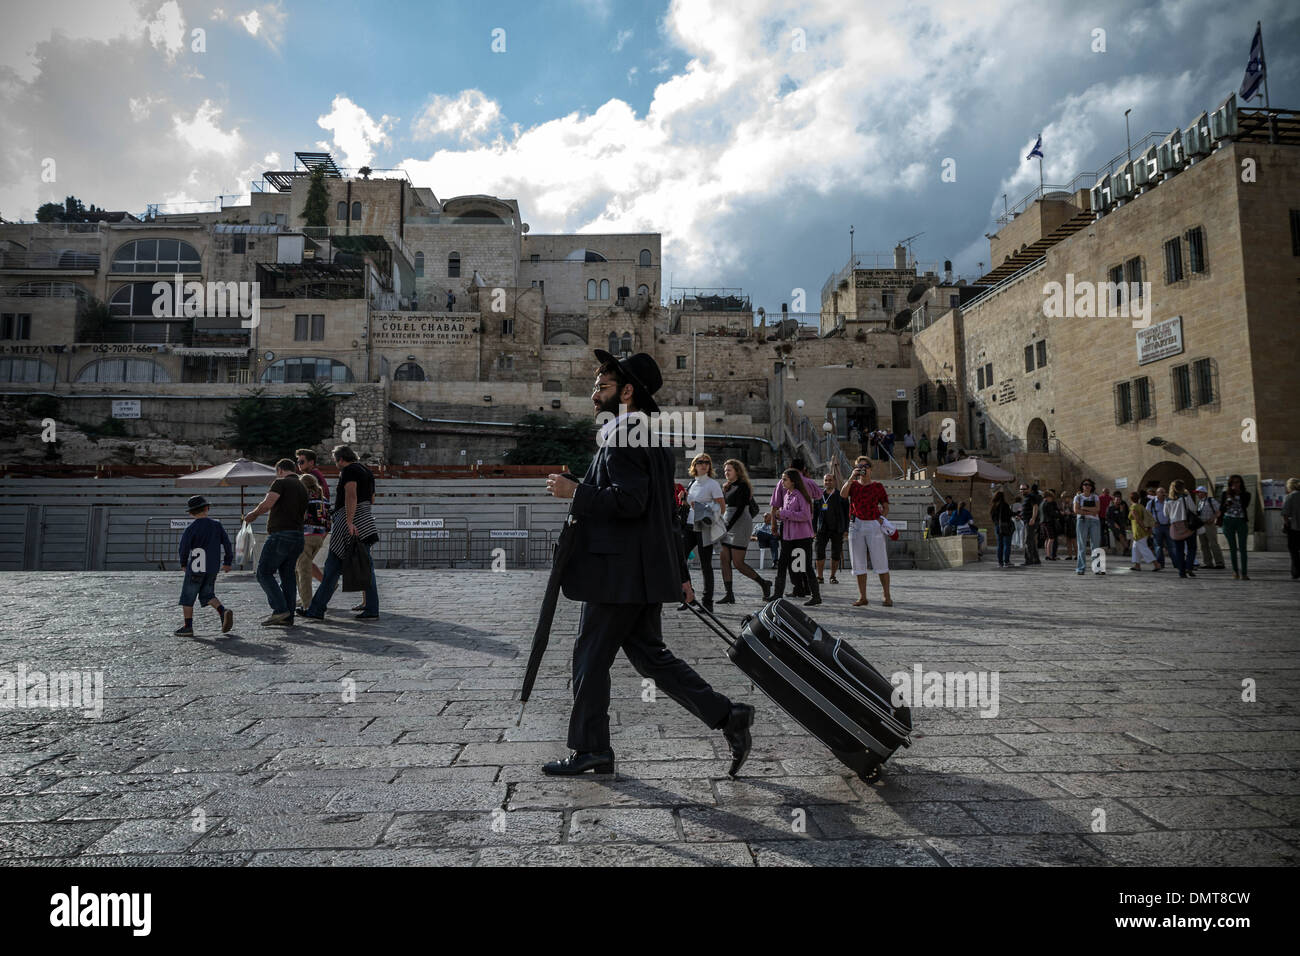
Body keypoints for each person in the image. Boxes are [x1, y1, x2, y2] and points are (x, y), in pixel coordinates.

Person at [540, 349, 753, 777]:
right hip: (637, 572)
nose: (594, 395)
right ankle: (729, 716)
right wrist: (676, 572)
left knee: (589, 656)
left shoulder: (624, 434)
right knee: (650, 658)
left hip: (617, 574)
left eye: (602, 387)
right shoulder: (647, 436)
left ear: (628, 391)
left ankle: (590, 749)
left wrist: (575, 492)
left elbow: (631, 502)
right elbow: (660, 513)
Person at [302, 446, 381, 620]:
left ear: (341, 459)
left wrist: (349, 521)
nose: (336, 464)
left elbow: (351, 495)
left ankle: (316, 610)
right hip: (365, 522)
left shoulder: (349, 470)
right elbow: (372, 498)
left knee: (333, 568)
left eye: (335, 460)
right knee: (361, 567)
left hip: (349, 524)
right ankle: (371, 608)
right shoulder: (366, 471)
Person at [243, 459, 308, 626]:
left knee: (263, 573)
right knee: (288, 576)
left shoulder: (280, 483)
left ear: (279, 470)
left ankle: (280, 610)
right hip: (298, 536)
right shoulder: (302, 487)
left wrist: (253, 514)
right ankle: (288, 615)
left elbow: (268, 503)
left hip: (281, 534)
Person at [174, 495, 234, 636]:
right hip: (212, 567)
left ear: (190, 513)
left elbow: (183, 548)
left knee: (188, 597)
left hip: (196, 566)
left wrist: (183, 563)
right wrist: (227, 562)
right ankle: (223, 611)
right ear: (207, 508)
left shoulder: (191, 529)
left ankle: (187, 626)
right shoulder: (217, 526)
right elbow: (227, 544)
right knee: (208, 594)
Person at [841, 456, 892, 607]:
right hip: (856, 524)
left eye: (865, 466)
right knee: (858, 563)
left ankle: (886, 595)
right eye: (859, 466)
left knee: (880, 560)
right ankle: (863, 596)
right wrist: (851, 477)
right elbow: (843, 495)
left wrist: (882, 519)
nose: (863, 468)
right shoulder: (854, 485)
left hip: (873, 524)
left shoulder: (877, 486)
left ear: (870, 468)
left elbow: (885, 505)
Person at [717, 459, 770, 603]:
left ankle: (764, 583)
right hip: (727, 521)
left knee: (738, 563)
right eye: (725, 470)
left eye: (729, 470)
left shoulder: (744, 486)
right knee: (724, 559)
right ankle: (729, 594)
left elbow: (740, 509)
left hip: (740, 523)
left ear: (737, 471)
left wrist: (727, 526)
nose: (726, 473)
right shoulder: (727, 486)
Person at [768, 457, 822, 597]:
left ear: (792, 480)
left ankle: (814, 595)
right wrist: (778, 517)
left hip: (801, 535)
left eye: (785, 479)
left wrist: (783, 514)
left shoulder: (801, 495)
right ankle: (780, 593)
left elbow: (805, 515)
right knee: (784, 564)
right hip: (788, 535)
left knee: (804, 565)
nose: (782, 482)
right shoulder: (788, 494)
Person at [683, 453, 724, 612]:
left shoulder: (712, 484)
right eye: (700, 462)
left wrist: (699, 507)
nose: (704, 464)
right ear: (694, 465)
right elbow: (689, 504)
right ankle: (688, 594)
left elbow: (721, 508)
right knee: (680, 558)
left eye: (707, 462)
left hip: (704, 526)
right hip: (688, 525)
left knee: (705, 564)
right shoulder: (692, 482)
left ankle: (708, 602)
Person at [295, 473, 330, 613]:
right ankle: (306, 600)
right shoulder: (324, 500)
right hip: (319, 538)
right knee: (300, 568)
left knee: (303, 572)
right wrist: (321, 537)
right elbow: (328, 523)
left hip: (305, 537)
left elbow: (299, 518)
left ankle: (308, 606)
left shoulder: (303, 498)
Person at [814, 471, 849, 584]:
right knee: (819, 552)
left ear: (834, 481)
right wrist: (813, 529)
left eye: (830, 480)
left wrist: (846, 529)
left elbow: (846, 513)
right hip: (822, 529)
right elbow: (814, 515)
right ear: (823, 482)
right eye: (826, 480)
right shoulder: (819, 496)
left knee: (836, 553)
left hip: (837, 529)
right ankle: (820, 577)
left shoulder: (841, 495)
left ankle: (832, 576)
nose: (828, 482)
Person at [1219, 475, 1251, 580]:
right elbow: (1221, 509)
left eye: (1237, 482)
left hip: (1241, 521)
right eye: (1233, 482)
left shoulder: (1246, 494)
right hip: (1228, 521)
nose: (1235, 484)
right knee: (1232, 548)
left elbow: (1245, 505)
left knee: (1243, 548)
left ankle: (1244, 573)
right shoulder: (1225, 494)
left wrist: (1238, 494)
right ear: (1230, 484)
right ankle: (1235, 572)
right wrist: (1228, 501)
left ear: (1241, 483)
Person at [1165, 478, 1198, 579]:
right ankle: (1189, 566)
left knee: (1179, 550)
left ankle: (1181, 572)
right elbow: (1193, 509)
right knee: (1192, 548)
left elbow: (1165, 514)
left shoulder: (1167, 500)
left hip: (1175, 526)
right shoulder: (1186, 497)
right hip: (1186, 524)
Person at [1072, 479, 1103, 575]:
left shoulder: (1095, 497)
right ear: (1082, 486)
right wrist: (1090, 512)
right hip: (1082, 521)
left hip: (1094, 522)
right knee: (1081, 545)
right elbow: (1076, 510)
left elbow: (1097, 509)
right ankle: (1080, 568)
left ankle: (1097, 568)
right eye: (1085, 484)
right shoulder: (1078, 497)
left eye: (1089, 484)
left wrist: (1084, 508)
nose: (1087, 486)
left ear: (1092, 486)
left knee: (1096, 545)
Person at [1195, 486, 1224, 569]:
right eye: (1197, 493)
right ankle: (1208, 563)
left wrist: (1213, 518)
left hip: (1209, 525)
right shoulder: (1199, 502)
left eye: (1199, 492)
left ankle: (1219, 563)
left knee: (1213, 543)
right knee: (1203, 545)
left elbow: (1219, 511)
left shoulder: (1211, 500)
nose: (1198, 494)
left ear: (1204, 493)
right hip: (1201, 525)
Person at [1128, 491, 1158, 570]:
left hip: (1139, 530)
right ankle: (1137, 565)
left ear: (1130, 499)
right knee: (1135, 548)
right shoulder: (1141, 506)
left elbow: (1137, 519)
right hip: (1140, 530)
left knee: (1144, 548)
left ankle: (1156, 564)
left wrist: (1144, 527)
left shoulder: (1133, 507)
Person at [1149, 486, 1172, 571]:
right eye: (1161, 492)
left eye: (1164, 492)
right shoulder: (1151, 503)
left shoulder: (1168, 501)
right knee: (1158, 546)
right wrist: (1152, 523)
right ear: (1157, 494)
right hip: (1157, 527)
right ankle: (1160, 564)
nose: (1163, 494)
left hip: (1168, 526)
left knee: (1171, 545)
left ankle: (1176, 563)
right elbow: (1147, 515)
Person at [1020, 482, 1041, 566]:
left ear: (1028, 489)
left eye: (1024, 489)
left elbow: (1035, 507)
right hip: (1026, 521)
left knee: (1028, 541)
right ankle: (1036, 559)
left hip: (1030, 521)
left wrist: (1033, 518)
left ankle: (1029, 560)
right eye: (1021, 489)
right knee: (1031, 540)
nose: (1022, 490)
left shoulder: (1031, 497)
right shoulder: (1026, 498)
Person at [1282, 477, 1300, 580]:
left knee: (1293, 550)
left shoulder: (1290, 496)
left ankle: (1296, 571)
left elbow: (1285, 513)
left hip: (1293, 527)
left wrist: (1286, 524)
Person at [990, 491, 1014, 567]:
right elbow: (1009, 514)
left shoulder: (993, 506)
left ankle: (1000, 563)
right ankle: (1006, 561)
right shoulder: (1005, 505)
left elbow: (992, 517)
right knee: (1007, 544)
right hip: (1005, 526)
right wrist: (1017, 513)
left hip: (997, 527)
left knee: (999, 545)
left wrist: (997, 523)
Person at [1040, 490, 1061, 559]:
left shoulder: (1042, 503)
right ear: (1048, 497)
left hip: (1043, 522)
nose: (1052, 499)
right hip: (1048, 522)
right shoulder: (1047, 504)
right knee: (1051, 539)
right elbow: (1052, 513)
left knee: (1047, 539)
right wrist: (1059, 514)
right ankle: (1049, 555)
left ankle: (1047, 554)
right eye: (1051, 498)